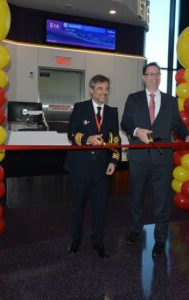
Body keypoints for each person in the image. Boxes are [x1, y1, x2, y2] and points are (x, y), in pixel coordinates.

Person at [121, 62, 189, 257]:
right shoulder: (133, 99)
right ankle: (136, 229)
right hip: (138, 157)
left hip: (162, 158)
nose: (154, 77)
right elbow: (125, 122)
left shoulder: (171, 101)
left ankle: (160, 239)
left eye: (157, 74)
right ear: (143, 77)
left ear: (160, 77)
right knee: (136, 196)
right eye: (150, 74)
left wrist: (186, 135)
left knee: (162, 199)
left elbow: (178, 124)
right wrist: (137, 131)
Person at [64, 74, 121, 258]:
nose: (104, 92)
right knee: (77, 206)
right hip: (80, 167)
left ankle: (98, 242)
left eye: (106, 89)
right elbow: (71, 133)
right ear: (91, 90)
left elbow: (115, 139)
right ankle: (76, 240)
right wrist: (88, 139)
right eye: (100, 89)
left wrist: (113, 160)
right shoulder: (80, 108)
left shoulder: (112, 112)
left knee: (100, 208)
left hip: (102, 168)